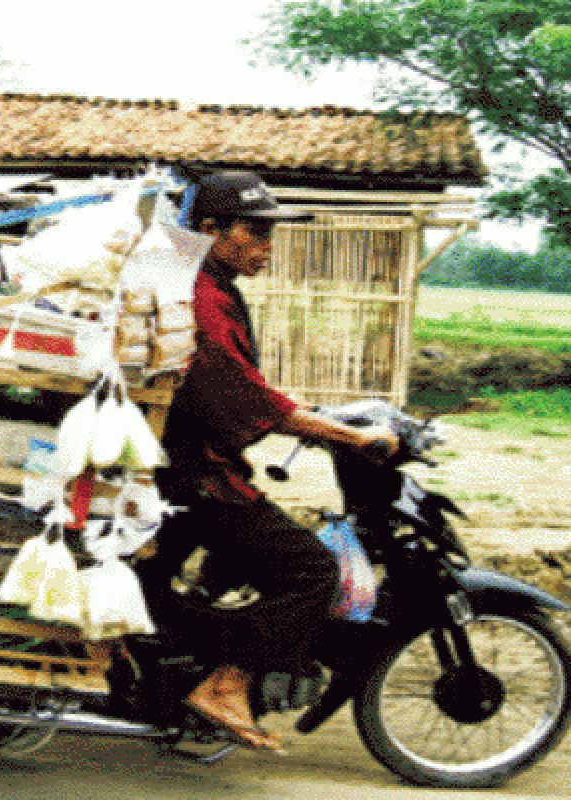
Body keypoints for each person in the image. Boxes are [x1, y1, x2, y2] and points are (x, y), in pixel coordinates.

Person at [150, 171, 399, 752]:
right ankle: (226, 684)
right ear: (209, 231)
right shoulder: (202, 297)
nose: (267, 246)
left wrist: (319, 415)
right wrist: (350, 437)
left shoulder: (210, 284)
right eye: (255, 232)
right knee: (311, 570)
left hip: (183, 463)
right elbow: (245, 396)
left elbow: (247, 389)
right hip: (194, 473)